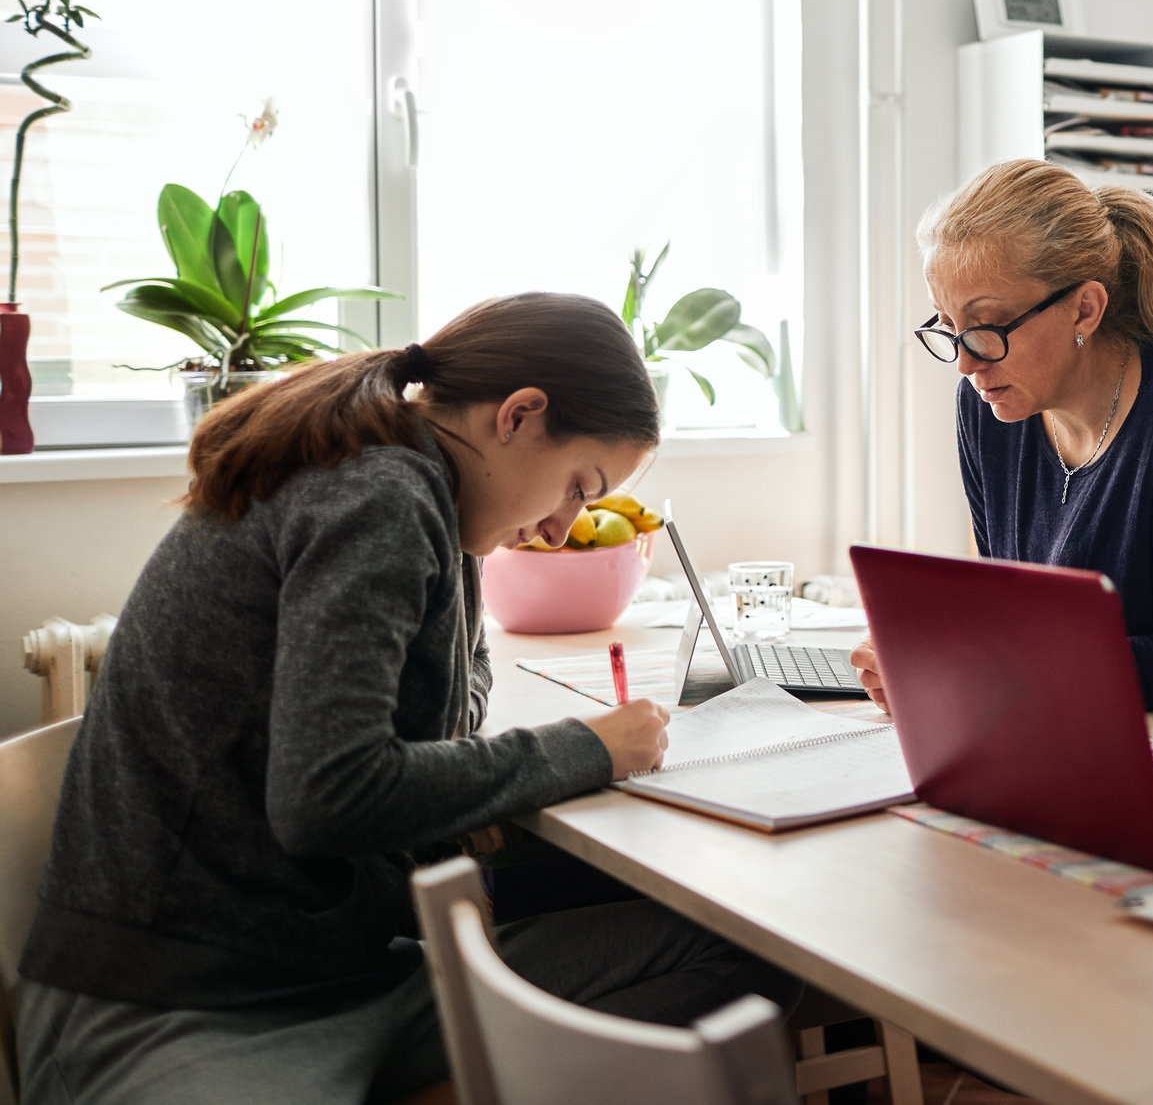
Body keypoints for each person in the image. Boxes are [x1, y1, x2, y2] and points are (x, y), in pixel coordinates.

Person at [16, 293, 797, 1105]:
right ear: (520, 416)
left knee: (753, 955)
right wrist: (590, 748)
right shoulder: (377, 495)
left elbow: (452, 700)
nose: (564, 528)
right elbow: (329, 798)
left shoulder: (428, 493)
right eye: (577, 485)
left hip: (335, 964)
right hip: (182, 1002)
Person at [849, 158, 1153, 713]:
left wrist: (979, 667)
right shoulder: (989, 409)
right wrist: (932, 656)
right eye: (948, 327)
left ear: (1084, 309)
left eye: (986, 328)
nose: (965, 363)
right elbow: (1017, 622)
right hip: (1097, 729)